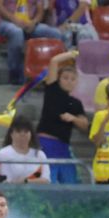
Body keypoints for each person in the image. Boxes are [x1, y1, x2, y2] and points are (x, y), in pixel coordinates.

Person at [35, 51, 86, 184]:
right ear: (59, 79)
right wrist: (73, 53)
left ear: (76, 82)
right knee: (48, 180)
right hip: (45, 143)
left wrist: (73, 119)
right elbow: (54, 61)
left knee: (70, 182)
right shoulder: (52, 90)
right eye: (65, 78)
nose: (69, 81)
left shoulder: (76, 103)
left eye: (72, 79)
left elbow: (85, 125)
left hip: (63, 146)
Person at [0, 0, 61, 84]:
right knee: (17, 33)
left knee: (55, 33)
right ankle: (14, 73)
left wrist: (34, 22)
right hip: (8, 21)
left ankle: (53, 73)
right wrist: (14, 19)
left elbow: (40, 11)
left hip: (29, 23)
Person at [0, 114, 51, 183]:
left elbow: (46, 180)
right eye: (18, 131)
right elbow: (6, 180)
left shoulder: (40, 154)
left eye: (26, 132)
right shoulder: (3, 154)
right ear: (11, 134)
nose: (22, 135)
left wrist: (26, 181)